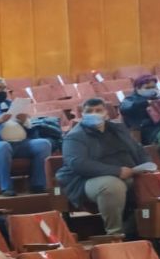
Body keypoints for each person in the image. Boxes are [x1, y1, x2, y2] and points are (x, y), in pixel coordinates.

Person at [55, 97, 148, 236]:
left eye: (98, 110)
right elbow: (78, 164)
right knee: (112, 186)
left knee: (154, 182)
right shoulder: (74, 136)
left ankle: (148, 230)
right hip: (86, 180)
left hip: (128, 174)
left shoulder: (118, 129)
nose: (94, 114)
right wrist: (117, 171)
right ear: (82, 114)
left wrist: (147, 166)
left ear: (106, 113)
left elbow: (138, 150)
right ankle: (115, 234)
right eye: (89, 111)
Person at [0, 77, 50, 196]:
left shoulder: (12, 105)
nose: (2, 91)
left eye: (4, 88)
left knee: (43, 144)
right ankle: (6, 187)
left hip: (21, 143)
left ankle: (38, 184)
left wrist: (24, 121)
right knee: (3, 146)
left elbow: (29, 126)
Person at [119, 74, 160, 145]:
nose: (151, 89)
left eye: (153, 87)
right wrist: (146, 102)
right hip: (148, 132)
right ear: (137, 88)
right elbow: (125, 109)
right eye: (147, 88)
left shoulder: (158, 98)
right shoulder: (129, 100)